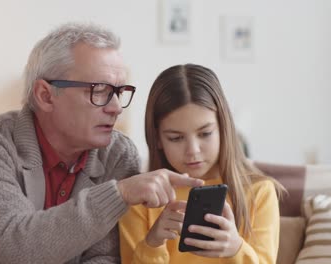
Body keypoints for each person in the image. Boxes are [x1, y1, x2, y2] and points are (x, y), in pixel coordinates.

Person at [0, 23, 203, 264]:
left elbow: (104, 258)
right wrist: (118, 194)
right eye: (99, 90)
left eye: (119, 92)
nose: (115, 108)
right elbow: (17, 246)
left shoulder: (118, 154)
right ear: (45, 95)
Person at [119, 64, 285, 263]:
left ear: (224, 128)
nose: (193, 151)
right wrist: (153, 244)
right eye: (176, 138)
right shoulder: (139, 198)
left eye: (205, 133)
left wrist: (236, 249)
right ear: (157, 140)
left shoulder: (259, 192)